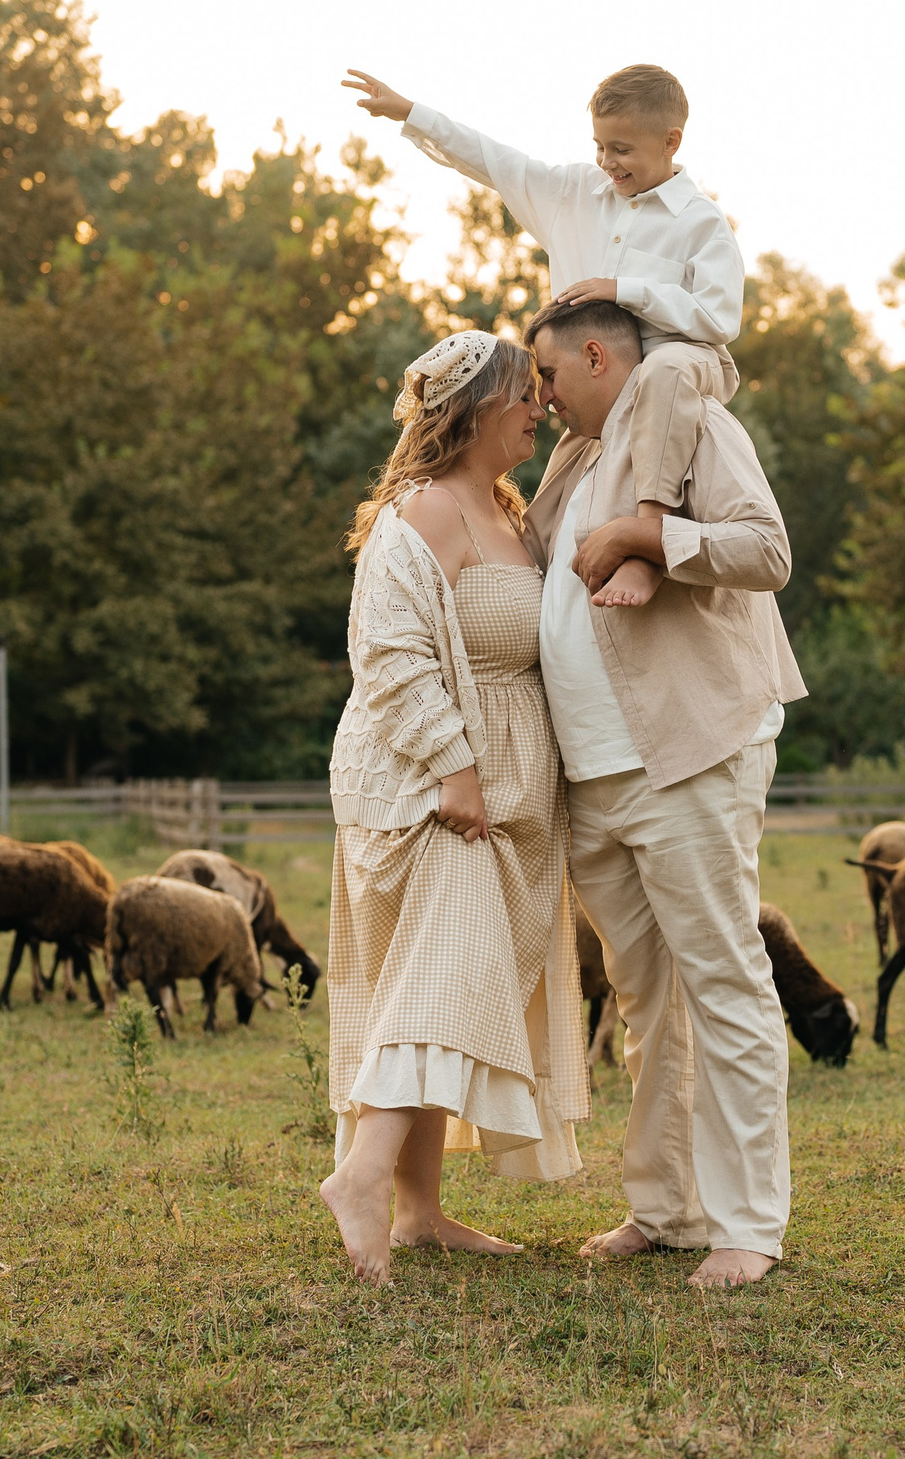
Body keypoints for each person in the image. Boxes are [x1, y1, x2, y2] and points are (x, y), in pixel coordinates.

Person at [522, 298, 808, 1290]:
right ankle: (667, 1206)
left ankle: (748, 1224)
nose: (542, 400)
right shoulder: (578, 458)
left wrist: (657, 541)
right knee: (647, 998)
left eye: (550, 379)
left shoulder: (694, 428)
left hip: (684, 755)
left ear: (597, 355)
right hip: (593, 776)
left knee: (722, 981)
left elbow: (765, 549)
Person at [321, 330, 590, 1287]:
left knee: (444, 985)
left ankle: (422, 1210)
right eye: (525, 392)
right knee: (440, 982)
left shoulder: (510, 512)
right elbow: (390, 656)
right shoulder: (424, 512)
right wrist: (454, 768)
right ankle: (360, 1178)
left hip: (506, 792)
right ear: (472, 407)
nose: (540, 405)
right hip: (427, 787)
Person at [342, 62, 738, 612]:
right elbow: (496, 160)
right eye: (600, 146)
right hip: (599, 396)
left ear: (671, 141)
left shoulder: (700, 222)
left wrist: (626, 289)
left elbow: (720, 318)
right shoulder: (577, 192)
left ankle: (648, 541)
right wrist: (412, 113)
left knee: (665, 370)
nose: (607, 162)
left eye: (621, 149)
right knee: (546, 508)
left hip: (680, 364)